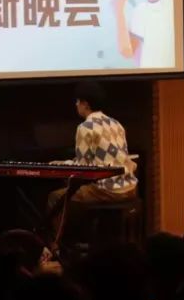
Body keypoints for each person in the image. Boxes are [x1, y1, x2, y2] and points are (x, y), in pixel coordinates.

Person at [47, 82, 139, 224]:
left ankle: (57, 239)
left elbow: (83, 168)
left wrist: (61, 165)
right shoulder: (116, 124)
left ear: (85, 104)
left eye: (78, 101)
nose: (76, 104)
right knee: (76, 192)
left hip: (108, 190)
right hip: (130, 188)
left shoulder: (85, 127)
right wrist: (66, 163)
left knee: (56, 197)